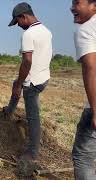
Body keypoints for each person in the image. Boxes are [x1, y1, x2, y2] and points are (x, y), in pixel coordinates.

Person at [3, 2, 52, 161]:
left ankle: (32, 153)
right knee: (15, 83)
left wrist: (20, 83)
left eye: (17, 22)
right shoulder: (46, 31)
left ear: (23, 16)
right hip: (44, 76)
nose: (18, 25)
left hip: (32, 82)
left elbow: (27, 62)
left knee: (33, 117)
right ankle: (9, 111)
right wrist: (18, 82)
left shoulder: (29, 34)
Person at [71, 0, 96, 179]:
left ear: (94, 5)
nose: (72, 7)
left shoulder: (86, 29)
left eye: (77, 3)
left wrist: (95, 110)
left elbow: (90, 67)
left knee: (83, 157)